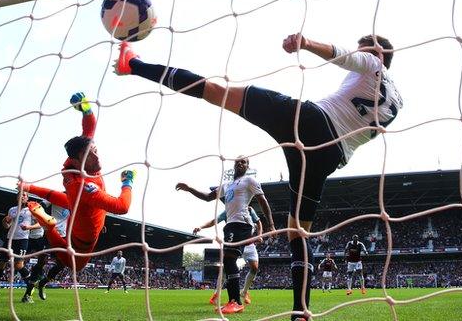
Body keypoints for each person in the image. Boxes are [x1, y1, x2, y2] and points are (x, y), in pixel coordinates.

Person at [115, 32, 402, 320]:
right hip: (328, 157)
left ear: (375, 52)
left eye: (362, 47)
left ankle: (134, 65)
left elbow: (343, 55)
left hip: (311, 122)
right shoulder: (397, 102)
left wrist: (306, 43)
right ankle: (301, 311)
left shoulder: (372, 62)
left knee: (217, 91)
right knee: (297, 233)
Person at [20, 92, 136, 301]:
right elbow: (122, 206)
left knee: (72, 207)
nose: (97, 156)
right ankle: (49, 226)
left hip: (79, 213)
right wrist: (127, 183)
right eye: (90, 154)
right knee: (77, 265)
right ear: (76, 160)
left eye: (96, 150)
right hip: (82, 239)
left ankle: (48, 226)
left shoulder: (78, 166)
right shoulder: (84, 186)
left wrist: (86, 108)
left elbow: (90, 127)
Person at [176, 157, 275, 314]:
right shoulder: (227, 185)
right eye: (238, 161)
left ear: (248, 166)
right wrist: (189, 189)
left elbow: (262, 200)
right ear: (234, 164)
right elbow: (208, 197)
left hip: (242, 224)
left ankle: (235, 301)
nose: (240, 163)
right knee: (227, 260)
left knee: (229, 258)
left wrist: (271, 224)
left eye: (244, 162)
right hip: (230, 226)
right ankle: (234, 301)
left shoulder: (249, 180)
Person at [194, 205, 263, 306]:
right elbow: (215, 221)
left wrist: (260, 234)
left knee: (254, 268)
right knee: (226, 268)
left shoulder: (249, 209)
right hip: (234, 243)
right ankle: (217, 294)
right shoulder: (228, 210)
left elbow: (258, 222)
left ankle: (244, 292)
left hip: (249, 243)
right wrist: (201, 227)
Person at [0, 192, 34, 303]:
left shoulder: (31, 210)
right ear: (17, 197)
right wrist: (4, 221)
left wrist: (29, 227)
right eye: (20, 195)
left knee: (18, 265)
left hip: (22, 241)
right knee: (0, 264)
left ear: (27, 198)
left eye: (25, 195)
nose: (22, 196)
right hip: (9, 240)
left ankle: (31, 287)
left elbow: (40, 223)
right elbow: (7, 226)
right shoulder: (12, 210)